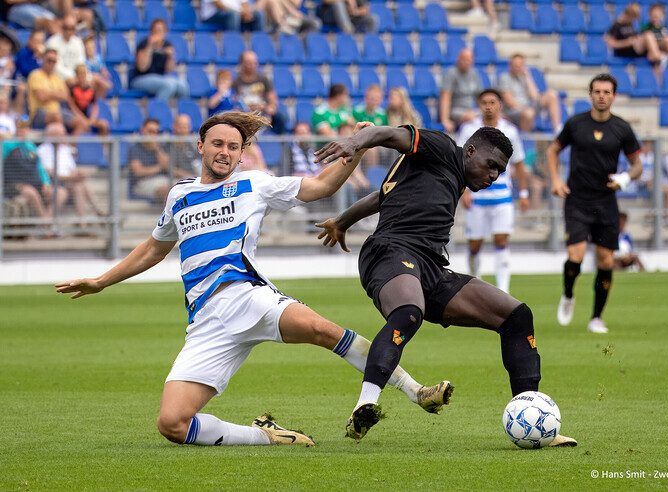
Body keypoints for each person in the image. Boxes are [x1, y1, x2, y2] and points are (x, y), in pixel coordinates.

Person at [56, 112, 450, 447]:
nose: (224, 152)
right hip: (206, 320)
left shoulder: (254, 184)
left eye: (233, 147)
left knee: (321, 329)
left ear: (242, 154)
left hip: (248, 296)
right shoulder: (179, 196)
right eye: (217, 144)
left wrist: (358, 147)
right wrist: (102, 281)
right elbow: (152, 249)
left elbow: (322, 186)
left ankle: (417, 392)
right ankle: (266, 436)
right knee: (172, 424)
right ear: (200, 147)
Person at [313, 124, 576, 447]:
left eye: (500, 171)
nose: (493, 175)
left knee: (517, 316)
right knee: (409, 312)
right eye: (491, 165)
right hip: (390, 251)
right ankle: (365, 404)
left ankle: (532, 414)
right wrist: (354, 143)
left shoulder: (448, 177)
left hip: (431, 267)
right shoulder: (441, 147)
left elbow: (383, 196)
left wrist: (342, 222)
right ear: (470, 151)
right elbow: (390, 134)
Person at [546, 73, 642, 334]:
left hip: (606, 200)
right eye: (597, 91)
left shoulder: (622, 128)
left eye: (607, 92)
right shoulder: (576, 124)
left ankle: (596, 317)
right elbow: (552, 150)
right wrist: (556, 180)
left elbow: (637, 166)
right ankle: (568, 294)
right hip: (577, 198)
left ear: (614, 96)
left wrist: (625, 178)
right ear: (590, 95)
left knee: (606, 260)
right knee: (575, 256)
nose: (602, 96)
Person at [457, 89, 528, 292]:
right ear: (479, 105)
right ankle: (475, 282)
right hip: (477, 195)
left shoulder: (510, 131)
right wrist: (464, 192)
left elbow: (520, 163)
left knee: (501, 240)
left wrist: (523, 193)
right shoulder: (469, 129)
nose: (489, 106)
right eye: (484, 102)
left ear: (500, 105)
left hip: (502, 196)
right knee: (475, 245)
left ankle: (503, 290)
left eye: (492, 102)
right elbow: (460, 161)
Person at [38, 121, 103, 218]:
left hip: (69, 182)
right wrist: (69, 177)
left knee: (80, 186)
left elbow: (72, 169)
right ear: (51, 135)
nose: (64, 136)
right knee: (77, 186)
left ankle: (90, 218)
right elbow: (48, 173)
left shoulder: (65, 149)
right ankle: (92, 217)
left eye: (63, 134)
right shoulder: (42, 150)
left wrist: (78, 174)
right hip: (53, 183)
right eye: (60, 134)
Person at [2, 118, 57, 220]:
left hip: (33, 182)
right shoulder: (7, 145)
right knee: (31, 193)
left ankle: (47, 221)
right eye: (20, 127)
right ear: (15, 129)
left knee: (60, 193)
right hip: (12, 184)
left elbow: (39, 167)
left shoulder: (30, 146)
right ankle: (46, 225)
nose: (23, 130)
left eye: (25, 127)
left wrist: (46, 182)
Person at [27, 48, 86, 135]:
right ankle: (63, 145)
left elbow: (65, 96)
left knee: (81, 123)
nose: (52, 63)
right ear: (43, 59)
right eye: (49, 60)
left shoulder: (57, 78)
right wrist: (56, 94)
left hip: (57, 111)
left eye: (54, 61)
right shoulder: (35, 75)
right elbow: (41, 96)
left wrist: (48, 93)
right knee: (56, 116)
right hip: (38, 113)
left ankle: (71, 147)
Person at [498, 53, 561, 133]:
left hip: (530, 107)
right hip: (514, 111)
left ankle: (557, 129)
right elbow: (510, 102)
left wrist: (528, 77)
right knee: (529, 113)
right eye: (515, 65)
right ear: (510, 65)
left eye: (520, 65)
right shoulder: (504, 77)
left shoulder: (525, 77)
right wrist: (525, 109)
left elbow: (535, 97)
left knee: (552, 95)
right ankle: (526, 140)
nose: (518, 67)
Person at [129, 19, 188, 101]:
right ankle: (158, 110)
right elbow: (142, 67)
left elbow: (169, 70)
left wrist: (170, 57)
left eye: (161, 30)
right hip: (140, 79)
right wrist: (150, 46)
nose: (158, 33)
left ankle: (183, 113)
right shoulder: (144, 43)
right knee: (168, 85)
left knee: (183, 87)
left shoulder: (167, 45)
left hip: (160, 78)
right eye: (156, 30)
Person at [232, 51, 286, 134]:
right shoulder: (236, 82)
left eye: (254, 62)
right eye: (249, 62)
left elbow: (272, 98)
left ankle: (281, 144)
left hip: (263, 112)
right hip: (245, 113)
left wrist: (271, 108)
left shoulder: (263, 79)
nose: (253, 65)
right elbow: (234, 101)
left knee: (280, 119)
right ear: (242, 64)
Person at [439, 48, 483, 134]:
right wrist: (445, 120)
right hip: (455, 110)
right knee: (471, 118)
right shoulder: (451, 73)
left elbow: (480, 97)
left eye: (469, 60)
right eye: (464, 59)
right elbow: (445, 97)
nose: (467, 62)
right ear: (458, 59)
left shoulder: (475, 74)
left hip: (472, 110)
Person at [127, 118, 171, 203]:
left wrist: (157, 149)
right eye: (150, 131)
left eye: (155, 132)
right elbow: (139, 172)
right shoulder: (134, 148)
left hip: (162, 179)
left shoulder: (160, 147)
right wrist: (159, 168)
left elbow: (167, 167)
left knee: (181, 187)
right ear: (142, 130)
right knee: (167, 190)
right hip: (141, 183)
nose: (152, 135)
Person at [69, 64, 109, 135]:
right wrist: (83, 120)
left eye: (84, 73)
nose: (82, 76)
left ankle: (104, 146)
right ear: (76, 75)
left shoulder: (91, 89)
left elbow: (95, 106)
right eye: (80, 73)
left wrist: (91, 119)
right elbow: (72, 107)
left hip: (88, 118)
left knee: (104, 124)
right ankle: (73, 146)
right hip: (76, 117)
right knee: (80, 127)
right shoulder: (72, 89)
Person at [45, 14, 85, 83]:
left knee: (98, 82)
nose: (68, 31)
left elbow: (81, 61)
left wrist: (78, 76)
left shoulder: (78, 42)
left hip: (76, 76)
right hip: (57, 76)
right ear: (62, 28)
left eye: (71, 28)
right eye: (66, 28)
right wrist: (71, 76)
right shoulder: (52, 42)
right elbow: (53, 66)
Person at [168, 114, 201, 179]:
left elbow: (197, 163)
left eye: (186, 127)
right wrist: (190, 177)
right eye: (181, 126)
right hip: (175, 180)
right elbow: (170, 169)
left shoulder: (192, 145)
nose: (183, 130)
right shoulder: (168, 144)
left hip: (193, 179)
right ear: (174, 126)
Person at [201, 0, 265, 32]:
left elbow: (244, 3)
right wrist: (239, 13)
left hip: (238, 13)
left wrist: (247, 13)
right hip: (213, 15)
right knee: (233, 15)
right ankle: (233, 42)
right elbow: (218, 4)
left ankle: (259, 45)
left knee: (258, 14)